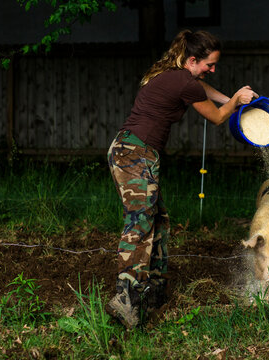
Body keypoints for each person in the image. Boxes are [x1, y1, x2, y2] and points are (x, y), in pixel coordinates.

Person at [106, 29, 258, 328]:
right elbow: (215, 117)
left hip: (136, 151)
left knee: (158, 219)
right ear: (192, 59)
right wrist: (236, 99)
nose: (212, 70)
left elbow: (203, 90)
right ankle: (126, 297)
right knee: (140, 222)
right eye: (209, 65)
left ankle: (154, 291)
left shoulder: (175, 74)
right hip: (133, 152)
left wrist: (232, 99)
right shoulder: (182, 80)